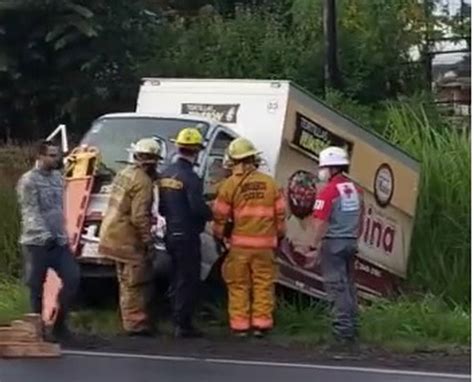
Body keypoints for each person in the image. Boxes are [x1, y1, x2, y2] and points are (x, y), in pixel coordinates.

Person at [212, 137, 286, 338]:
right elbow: (280, 215)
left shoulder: (229, 185)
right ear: (253, 158)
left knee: (238, 284)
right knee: (263, 284)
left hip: (239, 247)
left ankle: (240, 326)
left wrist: (219, 236)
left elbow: (220, 216)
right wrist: (278, 236)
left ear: (233, 160)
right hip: (265, 246)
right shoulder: (270, 184)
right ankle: (261, 324)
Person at [17, 140, 80, 342]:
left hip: (59, 240)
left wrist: (62, 233)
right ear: (40, 156)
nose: (56, 159)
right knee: (36, 286)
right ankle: (38, 330)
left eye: (57, 155)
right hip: (37, 242)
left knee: (72, 278)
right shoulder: (28, 181)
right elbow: (30, 211)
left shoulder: (57, 178)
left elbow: (59, 208)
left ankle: (59, 325)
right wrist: (44, 235)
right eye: (51, 155)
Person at [99, 138, 162, 336]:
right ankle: (136, 325)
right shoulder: (143, 182)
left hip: (111, 234)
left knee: (125, 281)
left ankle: (128, 320)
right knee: (137, 282)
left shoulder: (124, 173)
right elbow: (139, 217)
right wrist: (148, 242)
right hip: (127, 239)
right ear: (152, 160)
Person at [159, 127, 212, 338]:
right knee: (187, 278)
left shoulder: (165, 174)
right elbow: (197, 208)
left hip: (170, 232)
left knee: (175, 276)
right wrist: (211, 214)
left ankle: (172, 317)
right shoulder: (191, 178)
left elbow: (162, 206)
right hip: (188, 235)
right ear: (197, 150)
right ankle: (183, 324)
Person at [311, 146, 364, 345]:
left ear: (332, 168)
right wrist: (354, 237)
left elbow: (320, 222)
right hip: (350, 242)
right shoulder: (356, 190)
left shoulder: (328, 192)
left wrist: (313, 246)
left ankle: (342, 334)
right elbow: (362, 220)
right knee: (349, 288)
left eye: (323, 167)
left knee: (337, 289)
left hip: (333, 243)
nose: (321, 171)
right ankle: (353, 328)